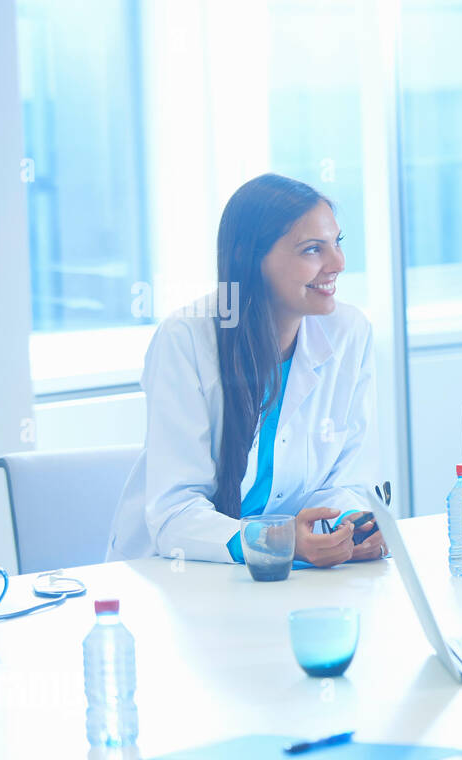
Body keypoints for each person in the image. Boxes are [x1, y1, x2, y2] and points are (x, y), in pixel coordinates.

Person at [108, 173, 385, 569]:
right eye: (312, 250)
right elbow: (175, 512)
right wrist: (276, 541)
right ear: (252, 260)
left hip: (292, 575)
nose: (337, 264)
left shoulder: (349, 333)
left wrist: (351, 525)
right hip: (181, 575)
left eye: (337, 243)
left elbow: (346, 480)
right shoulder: (186, 339)